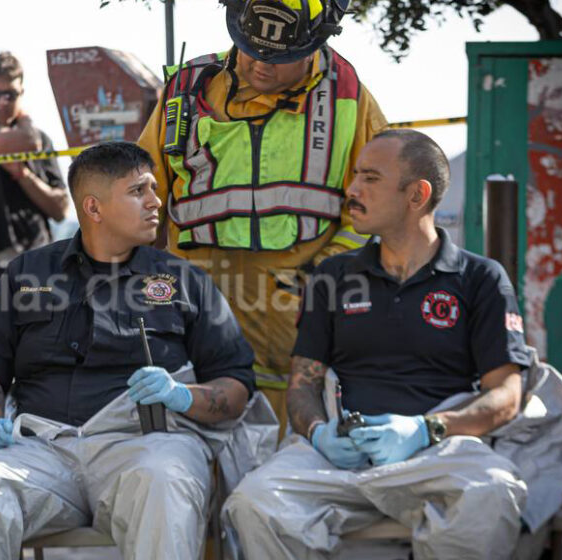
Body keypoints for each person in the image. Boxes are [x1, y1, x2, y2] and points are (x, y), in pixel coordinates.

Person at [0, 142, 257, 559]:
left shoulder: (183, 280)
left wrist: (182, 395)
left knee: (165, 480)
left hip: (145, 445)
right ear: (94, 208)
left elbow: (237, 384)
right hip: (39, 449)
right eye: (139, 191)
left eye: (154, 188)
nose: (156, 201)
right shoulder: (27, 273)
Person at [223, 130, 530, 559]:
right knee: (254, 501)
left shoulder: (480, 278)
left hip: (438, 448)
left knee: (493, 492)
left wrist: (427, 428)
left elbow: (507, 395)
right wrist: (319, 433)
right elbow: (303, 384)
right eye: (355, 177)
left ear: (417, 195)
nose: (352, 190)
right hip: (340, 452)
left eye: (370, 178)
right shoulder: (333, 275)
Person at [136, 0, 388, 434]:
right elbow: (140, 196)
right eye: (251, 48)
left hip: (297, 317)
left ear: (316, 43)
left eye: (279, 57)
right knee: (192, 454)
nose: (260, 65)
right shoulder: (187, 89)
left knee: (291, 457)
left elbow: (380, 205)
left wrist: (321, 274)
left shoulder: (348, 96)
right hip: (199, 308)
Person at [0, 51, 69, 273]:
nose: (3, 102)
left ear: (22, 93)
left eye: (11, 94)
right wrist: (25, 119)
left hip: (37, 258)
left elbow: (60, 209)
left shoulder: (41, 138)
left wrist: (23, 175)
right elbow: (26, 141)